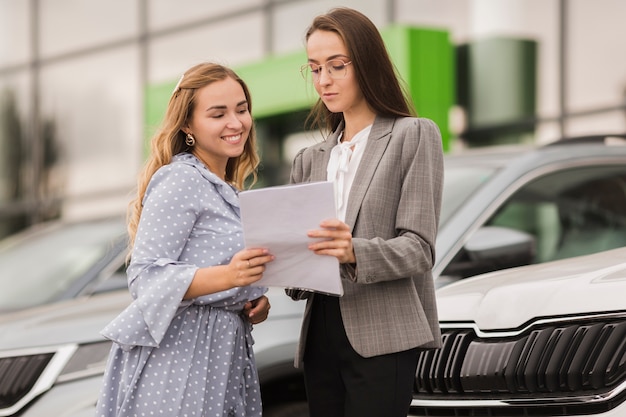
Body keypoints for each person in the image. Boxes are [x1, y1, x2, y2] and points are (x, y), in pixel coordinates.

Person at [287, 7, 444, 417]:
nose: (324, 80)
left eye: (336, 66)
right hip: (320, 331)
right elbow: (297, 261)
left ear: (367, 62)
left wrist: (352, 250)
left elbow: (419, 249)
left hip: (383, 333)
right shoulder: (308, 159)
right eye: (315, 68)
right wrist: (279, 260)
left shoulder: (413, 135)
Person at [95, 62, 274, 417]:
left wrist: (251, 300)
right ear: (188, 125)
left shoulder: (229, 191)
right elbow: (144, 277)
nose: (236, 123)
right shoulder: (181, 179)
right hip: (182, 358)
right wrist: (230, 277)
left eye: (241, 109)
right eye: (218, 114)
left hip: (223, 353)